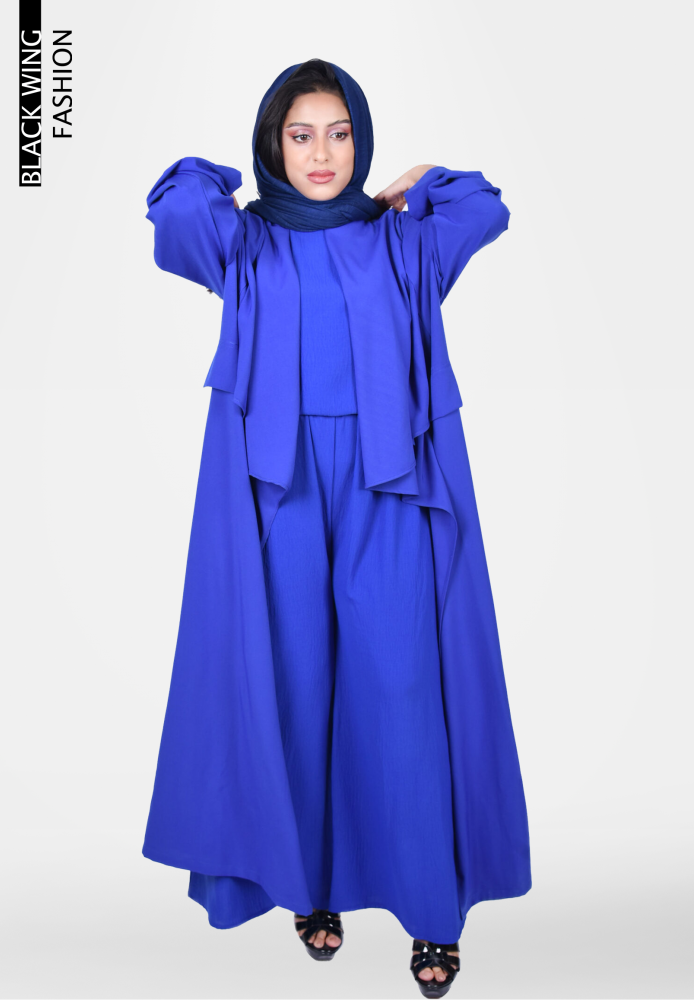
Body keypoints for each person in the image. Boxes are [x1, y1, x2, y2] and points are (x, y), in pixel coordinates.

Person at [142, 58, 531, 997]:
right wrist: (229, 178)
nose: (323, 154)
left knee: (400, 685)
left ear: (362, 138)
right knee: (297, 684)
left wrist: (422, 180)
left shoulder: (403, 244)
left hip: (387, 485)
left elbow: (485, 209)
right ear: (273, 145)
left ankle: (431, 912)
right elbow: (175, 213)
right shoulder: (244, 243)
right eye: (301, 135)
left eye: (341, 133)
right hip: (277, 491)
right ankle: (312, 888)